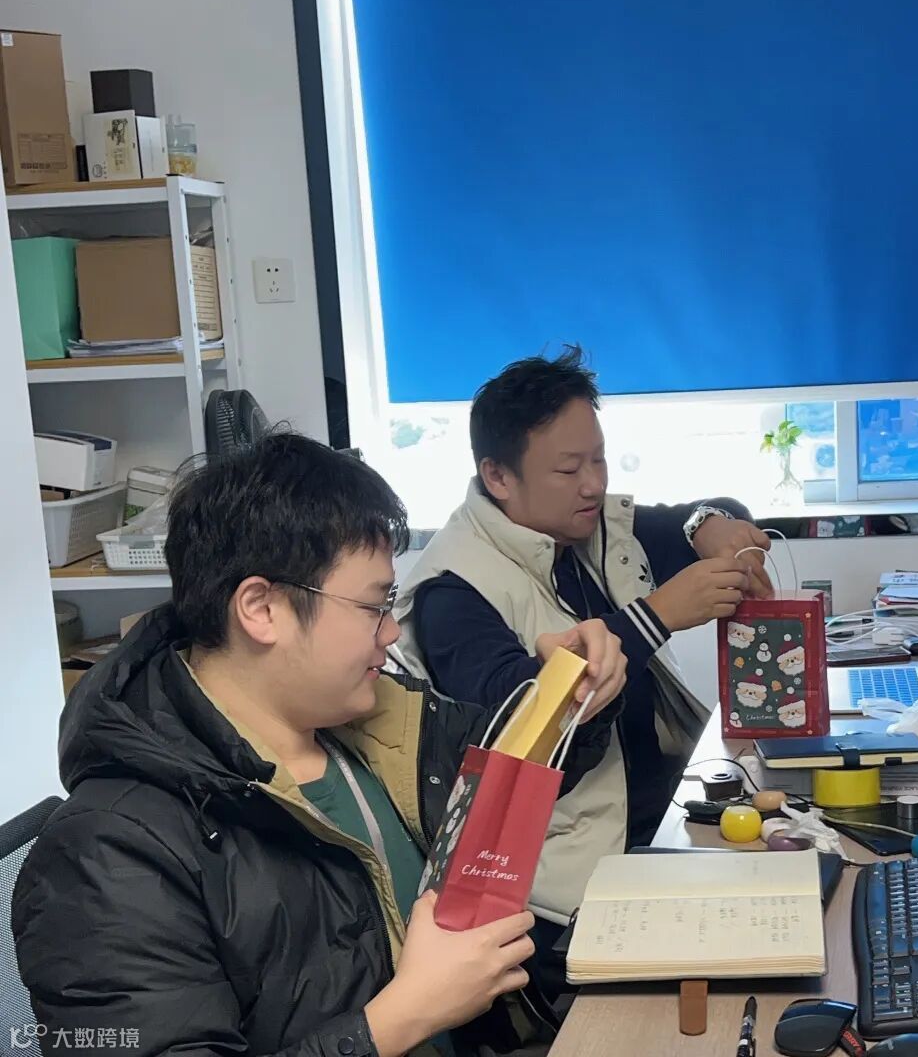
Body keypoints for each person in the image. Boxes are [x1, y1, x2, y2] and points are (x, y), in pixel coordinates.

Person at [13, 433, 627, 1057]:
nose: (391, 633)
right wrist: (401, 1018)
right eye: (374, 606)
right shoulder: (106, 854)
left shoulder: (369, 726)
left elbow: (506, 762)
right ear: (261, 609)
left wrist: (568, 690)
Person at [393, 346, 770, 947]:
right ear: (498, 477)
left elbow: (706, 516)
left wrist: (709, 522)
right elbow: (519, 724)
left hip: (661, 825)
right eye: (569, 470)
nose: (594, 484)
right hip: (557, 893)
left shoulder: (585, 526)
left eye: (599, 459)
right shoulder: (453, 590)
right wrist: (655, 617)